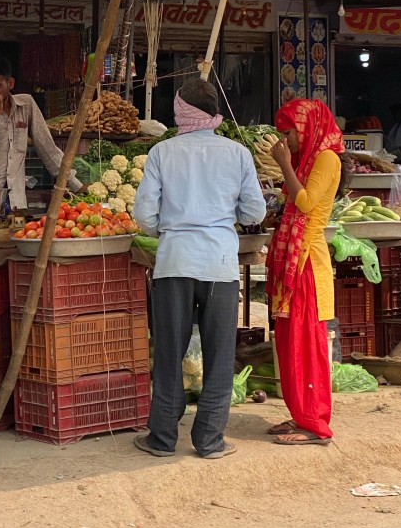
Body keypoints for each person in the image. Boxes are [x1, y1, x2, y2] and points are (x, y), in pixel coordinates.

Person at [133, 80, 266, 460]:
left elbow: (144, 214)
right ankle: (209, 440)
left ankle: (162, 438)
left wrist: (168, 230)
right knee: (220, 356)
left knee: (169, 352)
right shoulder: (237, 153)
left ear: (180, 111)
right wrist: (226, 216)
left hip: (174, 261)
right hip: (220, 264)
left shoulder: (162, 152)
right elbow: (254, 212)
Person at [267, 99, 347, 447]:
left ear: (307, 128)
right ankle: (301, 413)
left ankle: (316, 424)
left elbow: (307, 203)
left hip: (308, 264)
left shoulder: (327, 158)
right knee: (289, 342)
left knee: (307, 344)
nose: (286, 141)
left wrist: (284, 165)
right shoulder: (308, 157)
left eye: (289, 133)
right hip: (295, 261)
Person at [0, 55, 84, 209]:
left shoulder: (26, 104)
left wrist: (74, 184)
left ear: (10, 83)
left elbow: (47, 148)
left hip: (14, 201)